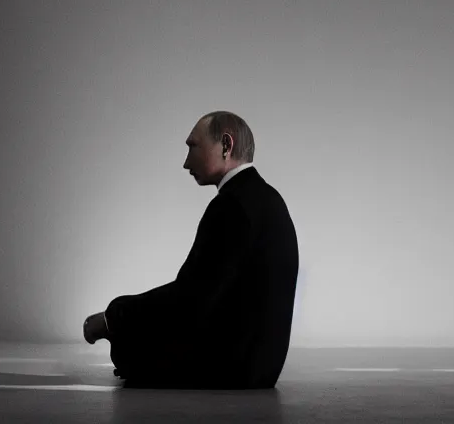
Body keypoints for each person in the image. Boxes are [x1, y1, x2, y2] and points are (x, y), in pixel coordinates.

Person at [82, 111, 300, 389]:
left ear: (225, 145)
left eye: (193, 146)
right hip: (260, 366)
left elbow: (190, 301)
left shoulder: (231, 206)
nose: (186, 162)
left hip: (231, 368)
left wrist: (112, 316)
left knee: (126, 344)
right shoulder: (268, 198)